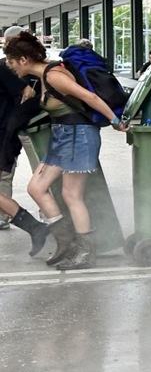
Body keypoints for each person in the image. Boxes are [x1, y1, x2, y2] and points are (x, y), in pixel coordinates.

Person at [4, 31, 130, 270]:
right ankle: (66, 242)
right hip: (63, 137)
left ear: (23, 59)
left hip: (78, 136)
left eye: (11, 62)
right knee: (36, 187)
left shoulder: (54, 75)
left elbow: (89, 97)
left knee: (72, 196)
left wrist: (115, 121)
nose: (10, 67)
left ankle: (85, 252)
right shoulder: (43, 76)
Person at [0, 61, 47, 250]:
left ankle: (36, 226)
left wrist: (15, 120)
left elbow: (28, 92)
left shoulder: (2, 69)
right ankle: (35, 227)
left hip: (6, 133)